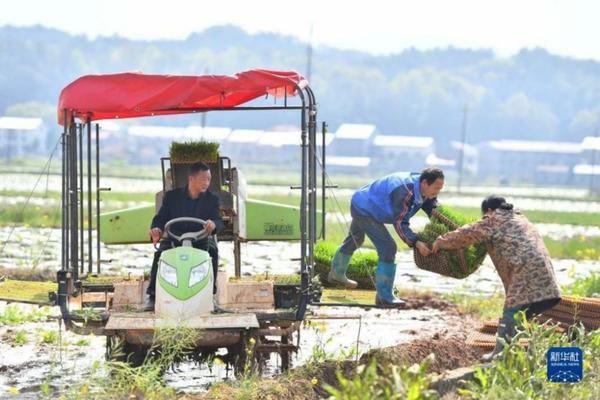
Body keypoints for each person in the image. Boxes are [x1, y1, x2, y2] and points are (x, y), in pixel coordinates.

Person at [431, 195, 561, 361]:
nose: (484, 218)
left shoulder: (494, 220)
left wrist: (441, 241)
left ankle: (500, 355)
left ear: (489, 211)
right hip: (547, 280)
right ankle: (524, 355)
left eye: (484, 215)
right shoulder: (520, 219)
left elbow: (467, 234)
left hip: (525, 274)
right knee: (522, 317)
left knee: (512, 311)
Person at [328, 167, 445, 307]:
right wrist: (416, 242)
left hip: (365, 203)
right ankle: (384, 296)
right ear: (425, 183)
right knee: (388, 248)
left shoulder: (424, 189)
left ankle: (336, 274)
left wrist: (447, 228)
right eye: (436, 188)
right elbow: (400, 222)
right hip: (365, 209)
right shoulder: (405, 191)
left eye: (440, 189)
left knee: (356, 239)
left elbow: (432, 207)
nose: (437, 192)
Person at [146, 161, 224, 310]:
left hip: (200, 240)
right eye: (203, 179)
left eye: (209, 179)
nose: (207, 183)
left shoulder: (212, 199)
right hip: (175, 239)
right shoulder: (171, 197)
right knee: (160, 254)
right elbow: (160, 218)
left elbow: (218, 220)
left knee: (212, 251)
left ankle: (210, 296)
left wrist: (213, 225)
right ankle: (153, 296)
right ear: (191, 179)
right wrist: (156, 229)